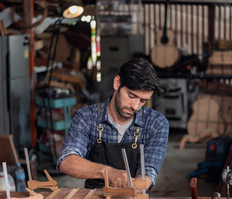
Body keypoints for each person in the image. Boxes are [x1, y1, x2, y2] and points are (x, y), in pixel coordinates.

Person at [57, 58, 169, 190]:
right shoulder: (87, 117)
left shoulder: (156, 123)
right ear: (117, 83)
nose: (135, 106)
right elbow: (67, 161)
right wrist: (108, 173)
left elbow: (148, 174)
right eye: (131, 96)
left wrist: (132, 190)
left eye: (143, 101)